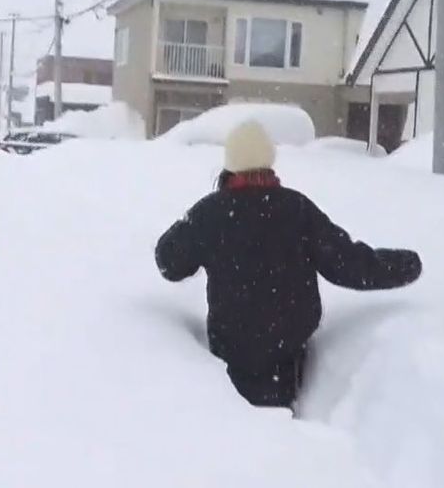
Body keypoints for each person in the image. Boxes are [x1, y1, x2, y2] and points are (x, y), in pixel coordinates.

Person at [154, 120, 422, 409]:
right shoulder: (297, 209)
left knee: (235, 424)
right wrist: (404, 265)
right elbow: (348, 264)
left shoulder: (211, 214)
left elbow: (169, 263)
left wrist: (192, 226)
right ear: (270, 162)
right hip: (288, 354)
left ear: (230, 165)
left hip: (230, 353)